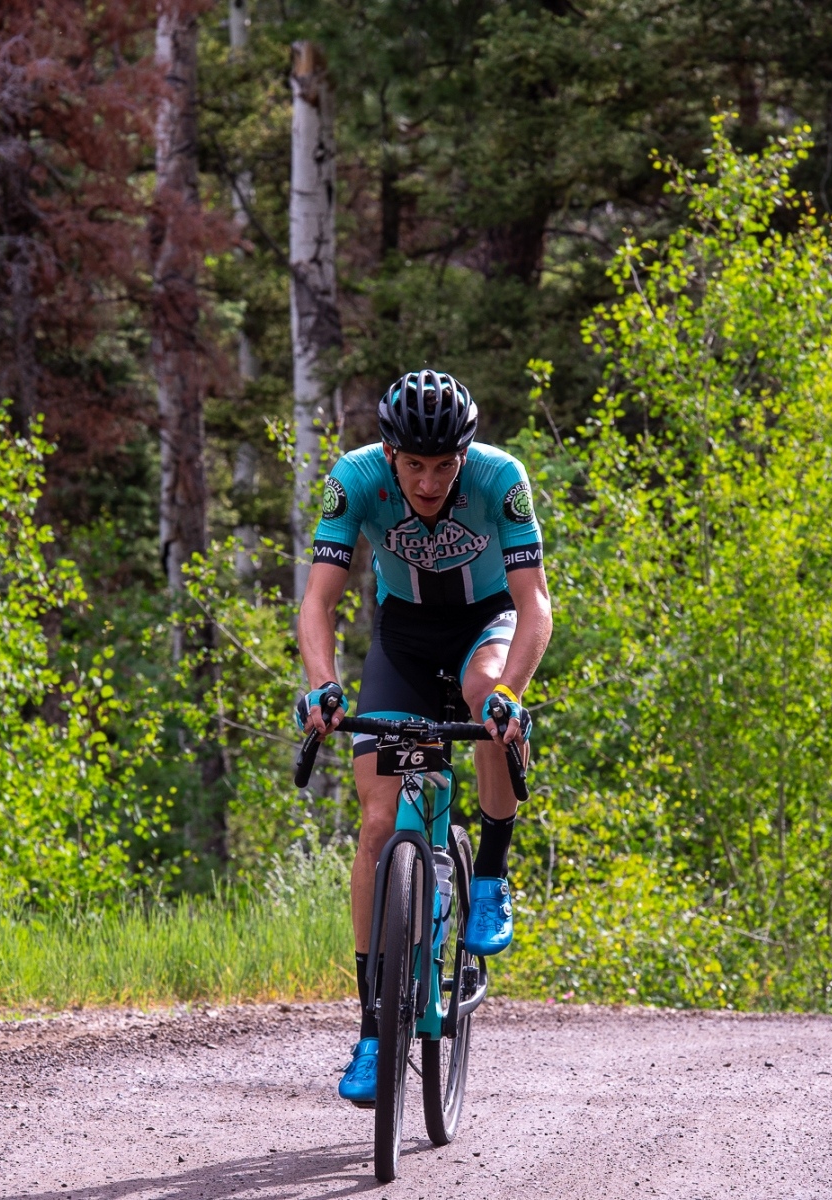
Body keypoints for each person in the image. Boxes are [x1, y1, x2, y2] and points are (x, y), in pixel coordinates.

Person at [295, 369, 552, 1106]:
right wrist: (321, 684)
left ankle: (494, 873)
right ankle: (374, 1030)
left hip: (486, 627)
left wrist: (511, 695)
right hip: (403, 641)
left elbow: (536, 605)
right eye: (416, 466)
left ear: (466, 454)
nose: (431, 480)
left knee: (483, 700)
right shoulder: (357, 477)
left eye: (445, 466)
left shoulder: (502, 478)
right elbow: (319, 599)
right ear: (389, 452)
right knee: (378, 824)